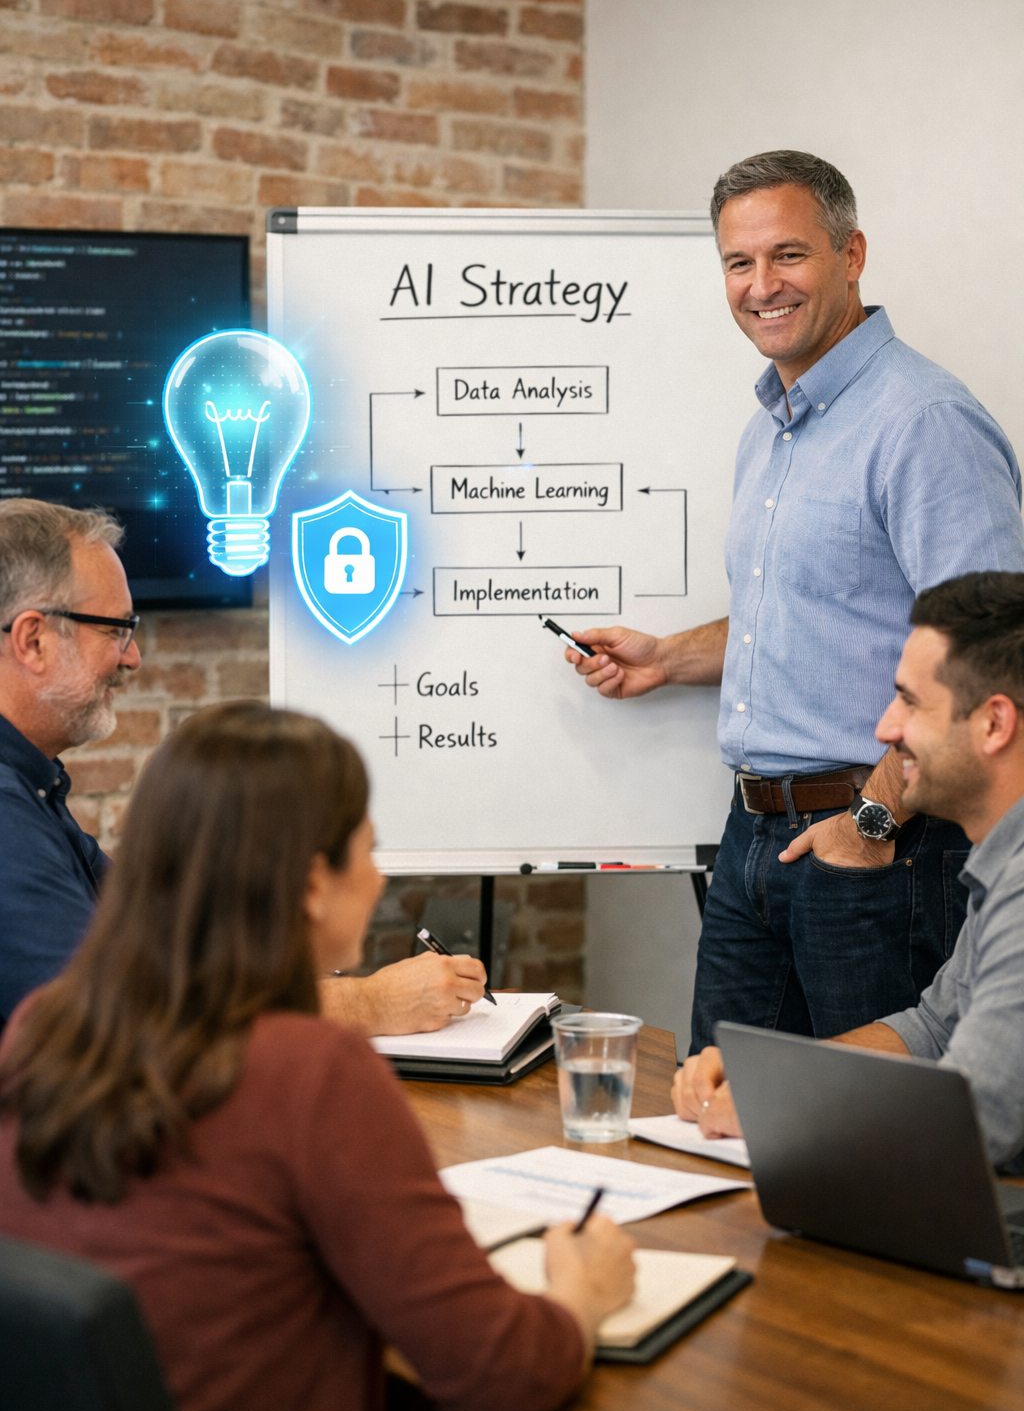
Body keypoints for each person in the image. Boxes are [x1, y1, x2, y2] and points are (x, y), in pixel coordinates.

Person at [0, 702, 635, 1411]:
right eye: (367, 850)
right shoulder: (310, 1073)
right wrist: (584, 1291)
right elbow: (502, 1373)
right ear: (310, 885)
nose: (378, 879)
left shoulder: (40, 1030)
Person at [567, 151, 1024, 1051]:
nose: (761, 286)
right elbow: (807, 611)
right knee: (722, 1116)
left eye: (789, 256)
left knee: (870, 1149)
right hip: (750, 841)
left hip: (879, 843)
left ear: (852, 255)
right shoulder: (769, 428)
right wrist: (667, 658)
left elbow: (991, 654)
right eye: (739, 263)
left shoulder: (922, 420)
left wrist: (875, 817)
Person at [0, 498, 487, 1035]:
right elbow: (121, 1022)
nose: (132, 656)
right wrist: (367, 1005)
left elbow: (163, 949)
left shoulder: (33, 789)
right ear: (33, 640)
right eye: (116, 629)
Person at [673, 572, 1024, 1167]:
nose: (885, 730)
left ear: (994, 723)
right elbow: (935, 1029)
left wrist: (781, 1105)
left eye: (910, 702)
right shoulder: (1001, 864)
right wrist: (773, 1073)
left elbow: (977, 1117)